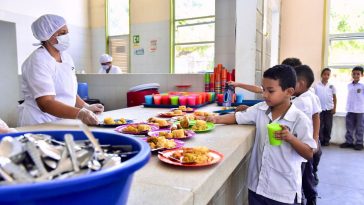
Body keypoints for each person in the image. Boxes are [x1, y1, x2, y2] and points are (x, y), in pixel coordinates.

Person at [206, 65, 316, 204]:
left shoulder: (299, 119)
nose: (264, 95)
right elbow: (238, 117)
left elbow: (309, 153)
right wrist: (215, 119)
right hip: (256, 187)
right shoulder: (260, 109)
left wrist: (290, 138)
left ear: (289, 92)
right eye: (264, 90)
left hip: (282, 192)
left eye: (270, 91)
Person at [18, 14, 104, 126]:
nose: (67, 36)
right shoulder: (38, 61)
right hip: (40, 123)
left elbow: (68, 91)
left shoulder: (66, 58)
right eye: (63, 33)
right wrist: (80, 113)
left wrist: (85, 106)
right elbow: (46, 103)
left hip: (62, 120)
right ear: (47, 36)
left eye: (67, 32)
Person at [292, 65, 322, 205]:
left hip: (301, 146)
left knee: (302, 176)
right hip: (308, 144)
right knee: (307, 176)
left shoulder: (300, 101)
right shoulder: (310, 95)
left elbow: (276, 107)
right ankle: (311, 198)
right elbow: (316, 116)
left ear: (301, 83)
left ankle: (304, 200)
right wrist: (315, 139)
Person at [230, 57, 302, 112]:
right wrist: (238, 84)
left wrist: (250, 109)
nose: (264, 95)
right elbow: (259, 89)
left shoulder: (301, 101)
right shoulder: (279, 91)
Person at [340, 66, 364, 151]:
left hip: (360, 110)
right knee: (349, 127)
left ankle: (359, 143)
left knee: (359, 127)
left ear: (362, 75)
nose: (356, 75)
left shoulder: (362, 86)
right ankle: (349, 142)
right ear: (352, 75)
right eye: (354, 74)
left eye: (358, 74)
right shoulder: (349, 85)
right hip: (350, 109)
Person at [314, 68, 337, 146]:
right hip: (319, 109)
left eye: (328, 74)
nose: (326, 76)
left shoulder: (332, 86)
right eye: (325, 74)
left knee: (328, 126)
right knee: (319, 126)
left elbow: (334, 98)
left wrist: (334, 108)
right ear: (321, 75)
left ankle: (326, 140)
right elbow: (314, 97)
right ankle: (320, 140)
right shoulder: (316, 86)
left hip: (329, 109)